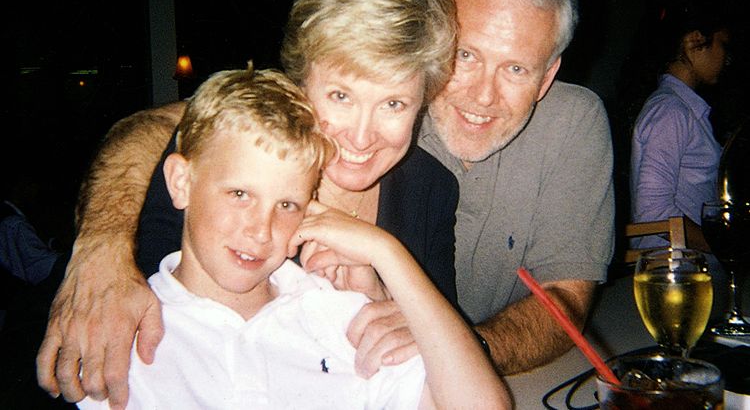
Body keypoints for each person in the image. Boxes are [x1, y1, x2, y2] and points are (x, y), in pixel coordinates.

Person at [38, 0, 460, 407]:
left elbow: (442, 342)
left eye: (393, 104)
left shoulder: (429, 191)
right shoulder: (230, 173)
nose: (360, 136)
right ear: (299, 86)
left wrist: (399, 309)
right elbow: (153, 128)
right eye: (340, 96)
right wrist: (102, 250)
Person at [75, 63, 508, 409]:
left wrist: (386, 251)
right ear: (182, 182)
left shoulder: (333, 313)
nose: (261, 231)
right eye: (240, 194)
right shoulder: (122, 330)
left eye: (287, 206)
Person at [415, 0, 615, 374]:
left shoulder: (572, 123)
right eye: (465, 55)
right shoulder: (375, 119)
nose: (483, 96)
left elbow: (565, 298)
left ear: (546, 78)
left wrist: (456, 355)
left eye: (516, 68)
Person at [629, 0, 730, 248]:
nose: (728, 58)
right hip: (675, 274)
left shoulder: (682, 109)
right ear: (695, 41)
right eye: (723, 45)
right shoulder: (671, 111)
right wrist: (725, 245)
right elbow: (654, 212)